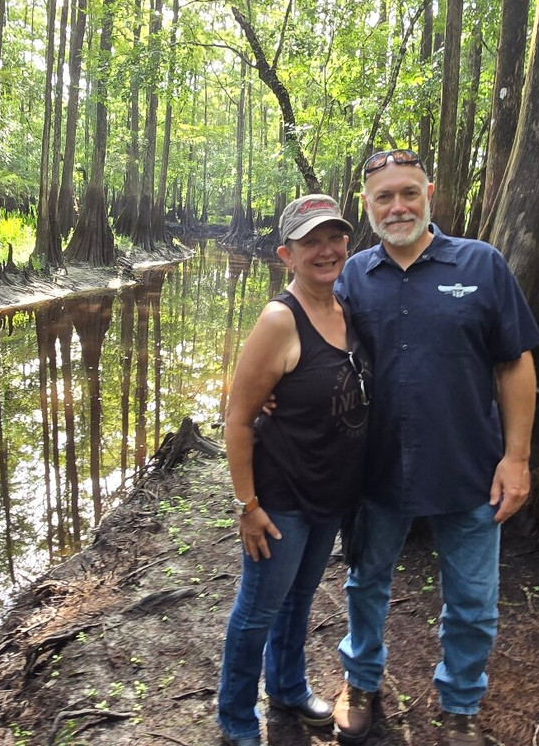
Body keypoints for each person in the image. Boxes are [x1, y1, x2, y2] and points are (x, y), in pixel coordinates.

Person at [330, 149, 539, 746]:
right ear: (367, 206)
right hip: (375, 469)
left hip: (468, 464)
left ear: (430, 193)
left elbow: (514, 363)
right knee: (365, 581)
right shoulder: (354, 276)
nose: (397, 206)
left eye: (408, 193)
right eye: (383, 197)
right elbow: (317, 350)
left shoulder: (481, 264)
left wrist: (517, 458)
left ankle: (460, 705)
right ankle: (362, 680)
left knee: (472, 600)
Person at [217, 194, 371, 746]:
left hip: (330, 491)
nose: (326, 250)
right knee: (258, 608)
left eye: (334, 238)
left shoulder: (350, 307)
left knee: (300, 598)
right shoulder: (280, 318)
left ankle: (286, 686)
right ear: (287, 254)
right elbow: (236, 419)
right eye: (311, 242)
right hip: (281, 496)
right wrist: (248, 507)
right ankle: (236, 718)